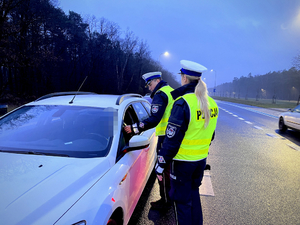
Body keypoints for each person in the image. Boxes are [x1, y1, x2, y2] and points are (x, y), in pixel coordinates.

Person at [155, 60, 218, 225]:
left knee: (181, 203)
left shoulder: (183, 103)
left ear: (184, 78)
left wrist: (160, 163)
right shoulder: (211, 104)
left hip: (182, 163)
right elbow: (210, 136)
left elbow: (171, 140)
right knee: (193, 197)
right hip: (200, 161)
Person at [124, 71, 174, 211]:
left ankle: (165, 202)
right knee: (168, 171)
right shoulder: (170, 91)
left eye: (150, 84)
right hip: (172, 136)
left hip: (165, 138)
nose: (149, 88)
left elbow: (154, 119)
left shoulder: (160, 94)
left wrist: (134, 128)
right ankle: (168, 198)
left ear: (157, 81)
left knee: (162, 171)